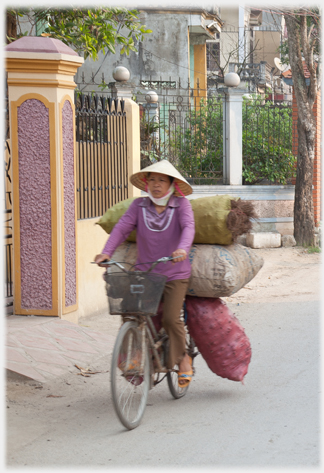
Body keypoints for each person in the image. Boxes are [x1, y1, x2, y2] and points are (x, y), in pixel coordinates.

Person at [95, 160, 195, 387]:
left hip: (174, 273)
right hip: (145, 273)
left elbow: (189, 227)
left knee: (170, 318)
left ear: (171, 184)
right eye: (152, 180)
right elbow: (121, 228)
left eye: (161, 180)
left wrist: (183, 248)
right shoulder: (138, 206)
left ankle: (183, 360)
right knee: (131, 314)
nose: (156, 185)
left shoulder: (181, 205)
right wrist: (106, 252)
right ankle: (137, 359)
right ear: (146, 183)